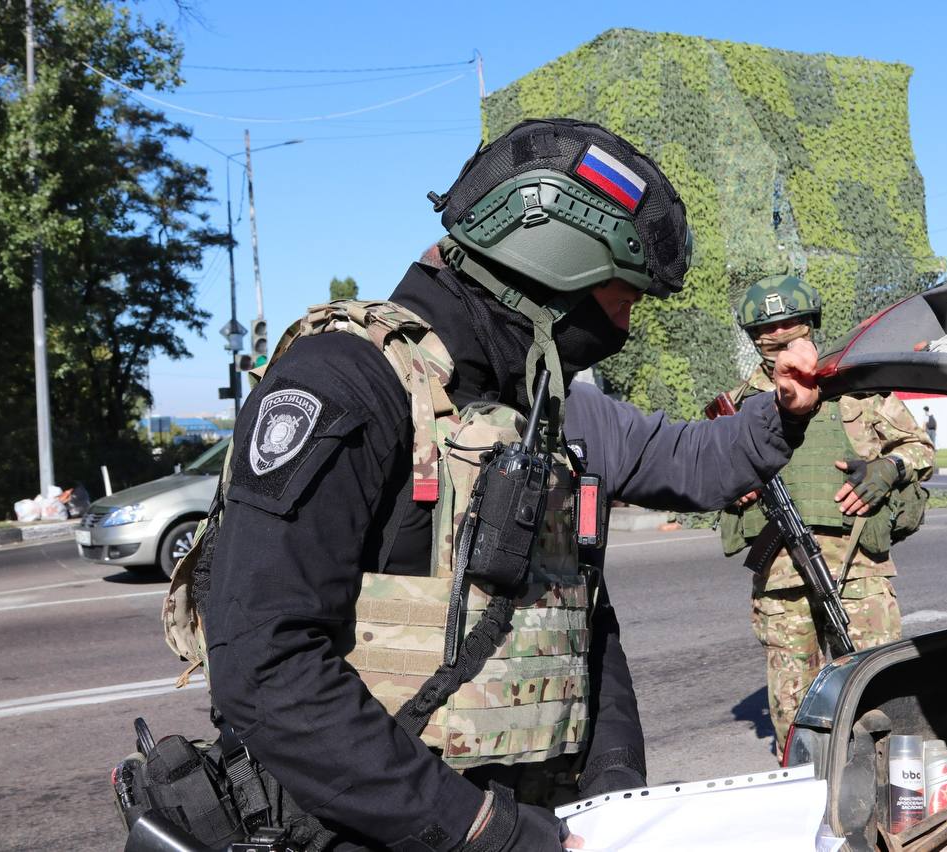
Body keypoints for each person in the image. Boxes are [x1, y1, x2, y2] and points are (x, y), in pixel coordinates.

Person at [173, 120, 819, 852]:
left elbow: (676, 481)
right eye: (623, 296)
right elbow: (266, 668)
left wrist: (612, 794)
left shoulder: (544, 406)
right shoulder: (348, 382)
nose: (628, 323)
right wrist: (484, 831)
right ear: (557, 266)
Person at [719, 274, 934, 756]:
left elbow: (920, 448)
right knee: (793, 709)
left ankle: (894, 789)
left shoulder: (854, 387)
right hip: (779, 577)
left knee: (879, 686)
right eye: (766, 328)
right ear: (752, 337)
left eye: (791, 323)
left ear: (812, 324)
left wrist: (889, 466)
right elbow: (707, 475)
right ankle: (805, 791)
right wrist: (732, 491)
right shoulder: (738, 404)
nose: (779, 335)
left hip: (858, 568)